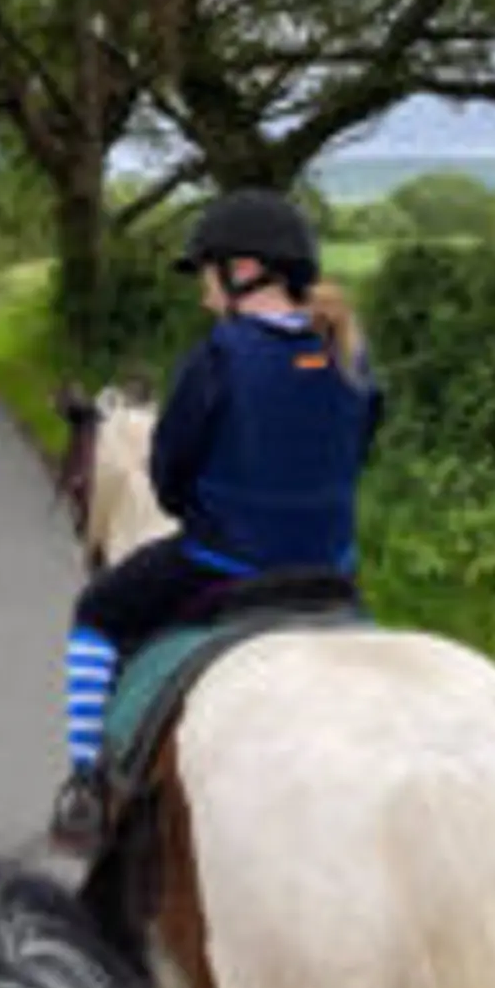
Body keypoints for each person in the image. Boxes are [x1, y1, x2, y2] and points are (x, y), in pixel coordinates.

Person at [52, 188, 384, 852]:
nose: (204, 293)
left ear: (244, 270)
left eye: (208, 273)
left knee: (97, 611)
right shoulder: (350, 359)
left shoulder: (220, 355)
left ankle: (86, 783)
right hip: (331, 573)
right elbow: (357, 451)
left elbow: (170, 478)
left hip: (224, 564)